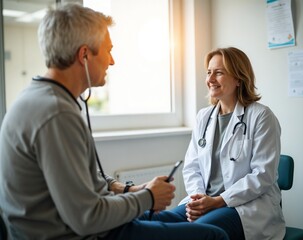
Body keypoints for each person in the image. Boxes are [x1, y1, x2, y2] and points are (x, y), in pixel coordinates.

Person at [0, 3, 230, 240]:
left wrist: (129, 189)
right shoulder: (57, 114)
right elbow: (88, 218)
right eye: (108, 50)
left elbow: (78, 180)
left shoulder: (40, 99)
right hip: (81, 234)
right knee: (214, 236)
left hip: (73, 224)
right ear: (84, 55)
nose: (112, 61)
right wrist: (149, 197)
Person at [145, 47, 286, 240]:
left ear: (239, 78)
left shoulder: (261, 116)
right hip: (206, 201)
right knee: (153, 221)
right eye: (209, 72)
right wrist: (199, 198)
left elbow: (262, 176)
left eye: (218, 72)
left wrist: (217, 201)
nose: (210, 79)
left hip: (243, 206)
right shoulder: (204, 116)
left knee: (197, 232)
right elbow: (192, 167)